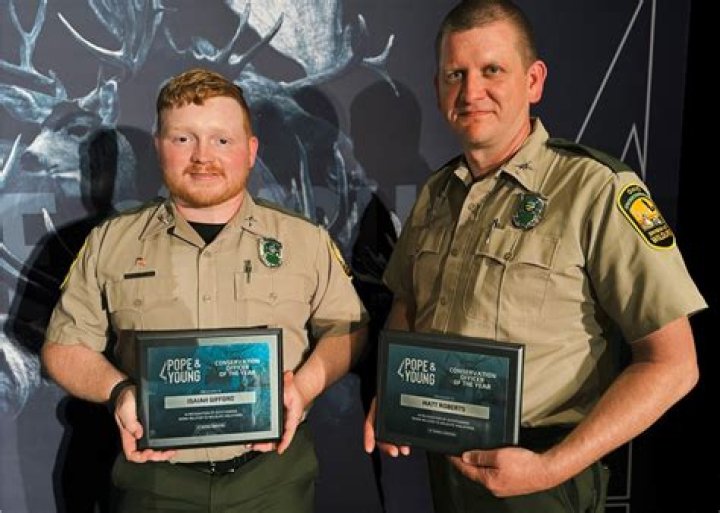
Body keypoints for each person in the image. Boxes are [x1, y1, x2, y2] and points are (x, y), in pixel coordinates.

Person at [363, 1, 706, 512]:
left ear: (533, 81)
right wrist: (394, 395)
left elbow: (674, 365)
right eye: (456, 74)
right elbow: (409, 304)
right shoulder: (436, 194)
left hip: (543, 474)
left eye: (492, 70)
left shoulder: (593, 189)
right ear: (437, 88)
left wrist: (551, 467)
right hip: (447, 466)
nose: (471, 92)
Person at [41, 67, 368, 513]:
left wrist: (305, 387)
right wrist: (118, 392)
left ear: (251, 150)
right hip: (155, 484)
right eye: (183, 139)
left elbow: (348, 328)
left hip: (273, 482)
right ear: (159, 146)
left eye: (222, 140)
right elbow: (63, 348)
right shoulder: (110, 243)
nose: (202, 156)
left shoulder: (303, 241)